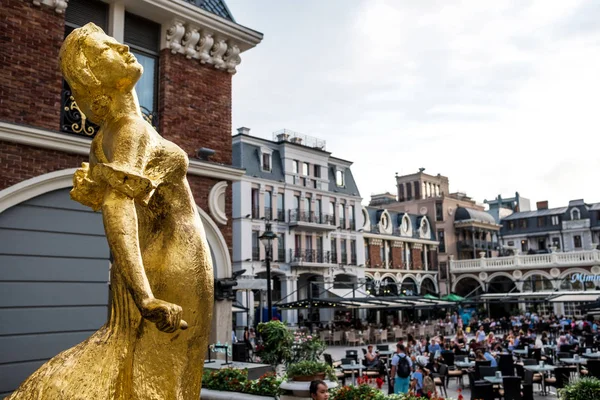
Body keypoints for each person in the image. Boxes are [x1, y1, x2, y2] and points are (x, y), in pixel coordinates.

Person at [7, 23, 214, 399]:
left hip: (163, 262)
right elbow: (118, 206)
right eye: (106, 49)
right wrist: (146, 295)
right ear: (94, 77)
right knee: (165, 369)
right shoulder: (131, 130)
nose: (122, 47)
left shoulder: (107, 137)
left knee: (141, 362)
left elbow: (112, 197)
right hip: (172, 267)